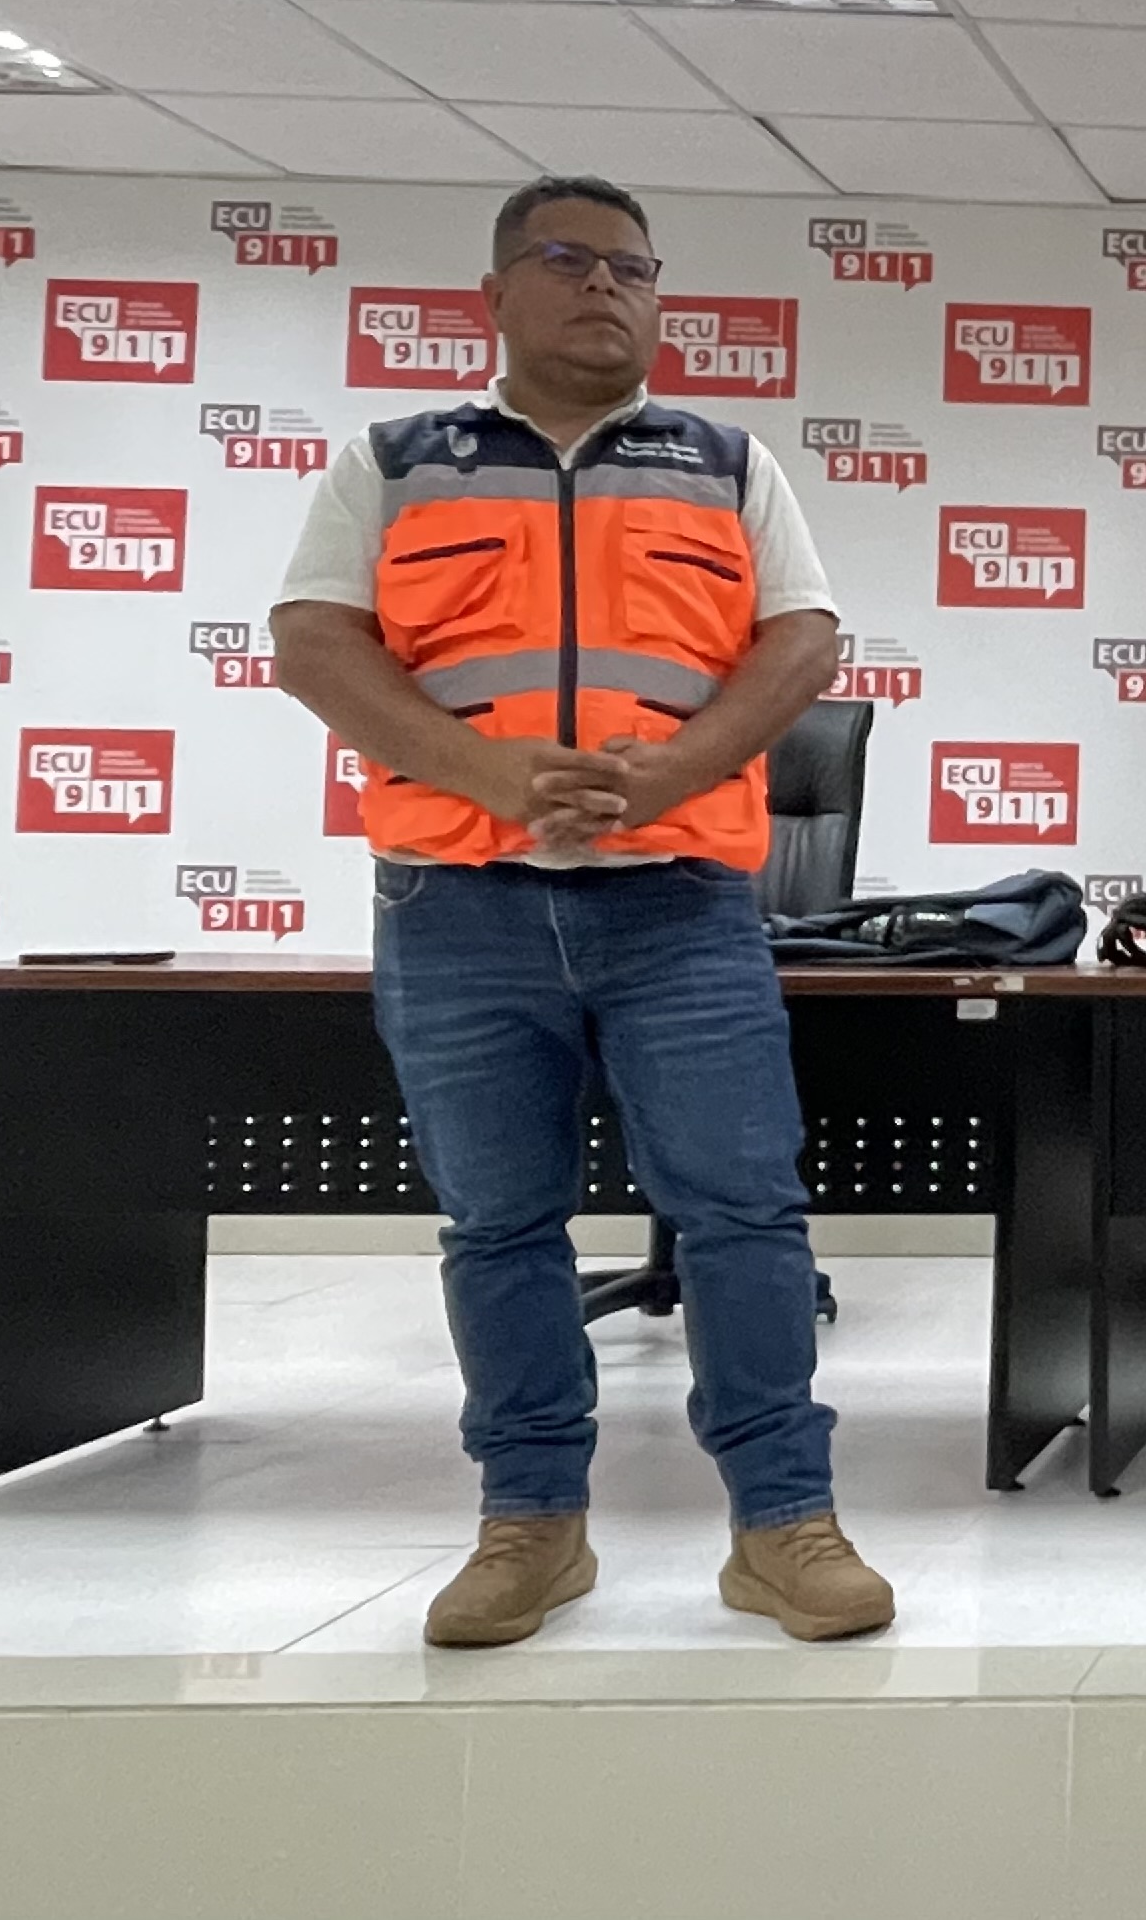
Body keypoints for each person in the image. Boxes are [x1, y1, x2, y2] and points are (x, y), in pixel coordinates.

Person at [272, 175, 893, 1647]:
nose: (606, 286)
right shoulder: (394, 462)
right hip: (457, 904)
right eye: (569, 260)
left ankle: (784, 1525)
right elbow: (314, 644)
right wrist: (491, 774)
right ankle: (531, 1524)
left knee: (743, 1215)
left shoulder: (726, 463)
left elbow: (800, 644)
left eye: (634, 268)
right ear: (495, 295)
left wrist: (669, 770)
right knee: (499, 1224)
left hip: (680, 906)